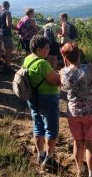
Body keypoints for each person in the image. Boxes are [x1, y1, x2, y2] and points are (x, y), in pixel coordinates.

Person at [60, 42, 92, 177]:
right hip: (91, 112)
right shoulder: (90, 69)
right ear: (79, 54)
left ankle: (80, 170)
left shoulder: (63, 72)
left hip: (73, 113)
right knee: (90, 145)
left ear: (65, 57)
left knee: (77, 142)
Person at [23, 35, 61, 168]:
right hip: (47, 97)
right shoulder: (42, 63)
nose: (49, 49)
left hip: (33, 97)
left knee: (38, 126)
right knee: (52, 128)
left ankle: (41, 155)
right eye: (46, 48)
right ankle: (49, 159)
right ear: (38, 50)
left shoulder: (28, 59)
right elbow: (56, 81)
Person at [0, 1, 17, 73]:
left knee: (7, 49)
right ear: (8, 5)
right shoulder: (8, 12)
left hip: (0, 33)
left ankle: (6, 64)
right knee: (9, 49)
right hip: (6, 33)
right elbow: (9, 24)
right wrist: (17, 29)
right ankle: (7, 66)